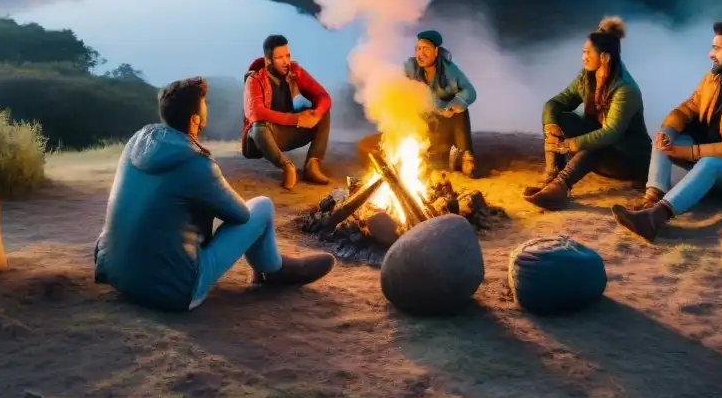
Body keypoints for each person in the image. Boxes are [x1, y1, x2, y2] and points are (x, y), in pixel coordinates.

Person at [93, 77, 335, 312]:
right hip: (174, 291)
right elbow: (240, 216)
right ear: (195, 119)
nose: (208, 107)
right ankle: (274, 269)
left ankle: (271, 267)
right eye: (204, 103)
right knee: (261, 206)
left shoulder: (136, 143)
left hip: (116, 273)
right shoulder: (196, 162)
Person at [612, 21, 722, 241]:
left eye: (717, 48)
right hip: (712, 154)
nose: (710, 54)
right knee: (665, 140)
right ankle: (652, 198)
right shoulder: (713, 79)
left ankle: (655, 218)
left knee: (710, 164)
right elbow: (688, 108)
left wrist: (692, 152)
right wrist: (668, 131)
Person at [524, 17, 651, 210]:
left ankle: (560, 188)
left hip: (629, 160)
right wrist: (551, 125)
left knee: (599, 141)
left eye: (587, 52)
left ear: (605, 57)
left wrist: (569, 144)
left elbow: (611, 133)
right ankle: (552, 175)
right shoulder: (587, 77)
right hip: (603, 148)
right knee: (559, 117)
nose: (583, 57)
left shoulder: (624, 89)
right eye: (583, 52)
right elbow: (556, 103)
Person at [356, 29, 479, 177]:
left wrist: (452, 105)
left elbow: (470, 92)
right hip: (424, 120)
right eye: (418, 49)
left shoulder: (449, 70)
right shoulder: (410, 68)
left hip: (446, 121)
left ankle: (466, 157)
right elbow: (397, 89)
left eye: (425, 49)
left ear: (436, 51)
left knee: (461, 111)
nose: (421, 54)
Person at [242, 34, 333, 190]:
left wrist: (315, 115)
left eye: (287, 55)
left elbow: (323, 97)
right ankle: (286, 167)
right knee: (258, 126)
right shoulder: (255, 79)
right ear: (268, 60)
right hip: (259, 142)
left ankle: (312, 165)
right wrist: (296, 119)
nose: (286, 61)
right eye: (279, 57)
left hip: (284, 134)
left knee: (322, 112)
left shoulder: (294, 71)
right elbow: (256, 113)